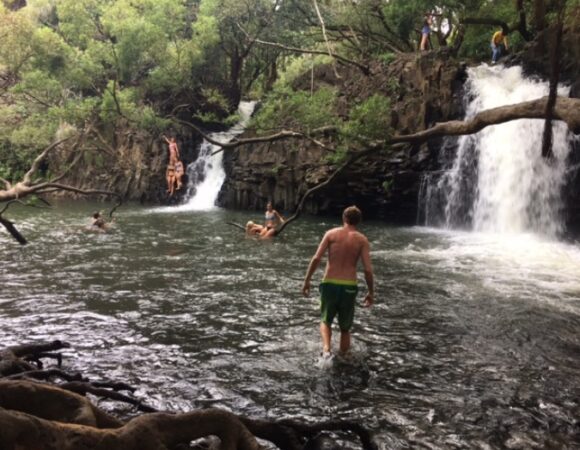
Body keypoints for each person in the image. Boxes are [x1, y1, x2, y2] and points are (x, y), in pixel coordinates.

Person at [302, 205, 374, 358]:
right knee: (345, 328)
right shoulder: (362, 240)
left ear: (344, 218)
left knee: (325, 320)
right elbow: (368, 269)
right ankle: (344, 358)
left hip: (329, 283)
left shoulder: (331, 234)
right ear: (358, 221)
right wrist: (371, 292)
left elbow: (316, 258)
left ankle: (327, 350)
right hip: (349, 286)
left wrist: (307, 280)